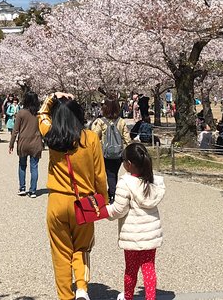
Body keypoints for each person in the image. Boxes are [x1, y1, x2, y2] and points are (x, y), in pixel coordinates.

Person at [38, 92, 107, 300]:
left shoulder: (51, 136)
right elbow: (100, 176)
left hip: (57, 201)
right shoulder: (91, 138)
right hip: (84, 202)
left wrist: (52, 98)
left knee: (60, 254)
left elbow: (41, 114)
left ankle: (65, 296)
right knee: (82, 248)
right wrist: (102, 202)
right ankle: (82, 288)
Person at [107, 142, 165, 300]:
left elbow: (119, 210)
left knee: (131, 271)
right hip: (150, 234)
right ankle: (151, 298)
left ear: (129, 164)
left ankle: (128, 296)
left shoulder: (125, 183)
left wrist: (105, 212)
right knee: (149, 269)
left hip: (132, 235)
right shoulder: (152, 182)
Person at [91, 98, 132, 203]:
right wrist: (129, 151)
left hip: (105, 154)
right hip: (118, 154)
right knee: (113, 174)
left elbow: (94, 136)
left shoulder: (101, 122)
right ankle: (112, 193)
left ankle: (112, 195)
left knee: (108, 175)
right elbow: (127, 138)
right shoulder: (121, 121)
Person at [9, 92, 44, 197]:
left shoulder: (21, 113)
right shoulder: (39, 114)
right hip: (36, 142)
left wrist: (11, 144)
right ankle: (33, 190)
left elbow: (15, 130)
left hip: (23, 142)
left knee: (22, 165)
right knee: (34, 167)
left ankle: (22, 188)